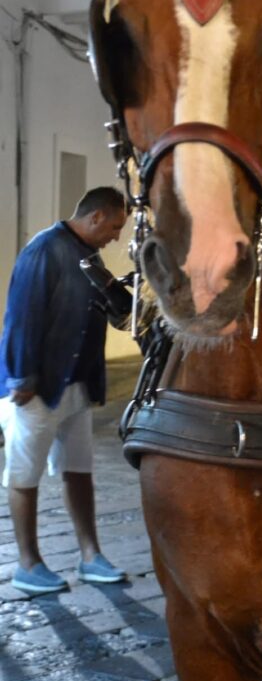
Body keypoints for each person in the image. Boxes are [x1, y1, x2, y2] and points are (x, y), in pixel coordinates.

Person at [0, 187, 132, 595]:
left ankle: (91, 557)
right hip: (38, 387)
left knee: (79, 470)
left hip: (76, 384)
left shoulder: (89, 256)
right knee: (24, 473)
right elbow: (21, 315)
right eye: (114, 227)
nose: (116, 236)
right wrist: (21, 378)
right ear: (95, 217)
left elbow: (109, 312)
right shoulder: (44, 250)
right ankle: (28, 565)